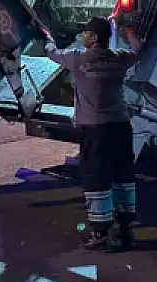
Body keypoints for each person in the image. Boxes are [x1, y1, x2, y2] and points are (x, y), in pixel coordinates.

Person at [43, 15, 141, 251]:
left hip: (95, 130)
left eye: (85, 33)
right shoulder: (119, 58)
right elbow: (139, 50)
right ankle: (126, 229)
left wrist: (46, 36)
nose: (82, 36)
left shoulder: (78, 58)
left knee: (97, 178)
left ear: (94, 37)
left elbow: (51, 52)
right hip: (120, 126)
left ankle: (100, 232)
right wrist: (129, 31)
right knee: (123, 176)